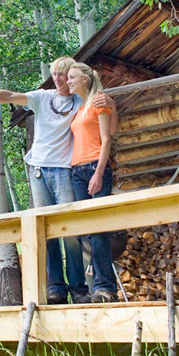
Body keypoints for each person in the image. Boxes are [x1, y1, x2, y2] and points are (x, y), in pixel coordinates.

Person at [0, 56, 90, 304]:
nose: (59, 79)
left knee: (70, 231)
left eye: (63, 74)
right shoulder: (43, 97)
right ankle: (56, 289)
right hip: (39, 170)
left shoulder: (80, 101)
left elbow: (99, 99)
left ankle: (79, 289)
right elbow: (8, 96)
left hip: (64, 171)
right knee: (45, 229)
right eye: (55, 74)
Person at [66, 62, 119, 303]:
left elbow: (108, 138)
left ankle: (105, 289)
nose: (68, 82)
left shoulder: (99, 101)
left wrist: (98, 172)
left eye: (71, 77)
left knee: (99, 232)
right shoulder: (79, 109)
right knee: (88, 231)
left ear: (84, 80)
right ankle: (93, 287)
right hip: (77, 172)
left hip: (95, 168)